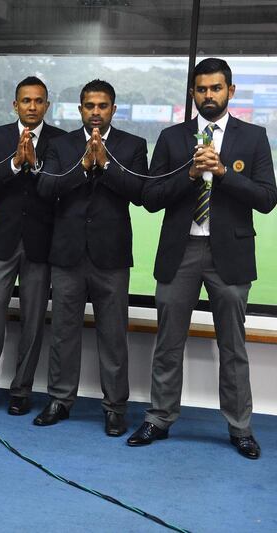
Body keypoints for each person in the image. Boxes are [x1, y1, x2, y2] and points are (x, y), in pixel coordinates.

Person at [128, 58, 277, 459]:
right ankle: (159, 418)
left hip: (230, 254)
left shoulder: (254, 136)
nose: (208, 95)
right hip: (181, 252)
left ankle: (240, 427)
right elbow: (150, 197)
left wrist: (224, 172)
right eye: (201, 89)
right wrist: (191, 174)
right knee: (168, 343)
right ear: (192, 93)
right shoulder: (173, 138)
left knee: (233, 347)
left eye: (215, 88)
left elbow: (267, 199)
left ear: (231, 91)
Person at [35, 79, 147, 437]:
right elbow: (46, 187)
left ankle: (115, 408)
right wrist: (83, 167)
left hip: (110, 256)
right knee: (63, 333)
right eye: (89, 106)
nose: (95, 112)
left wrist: (107, 166)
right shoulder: (60, 145)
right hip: (68, 254)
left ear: (113, 109)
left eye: (102, 106)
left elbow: (141, 192)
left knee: (113, 336)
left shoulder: (132, 146)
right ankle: (60, 400)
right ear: (80, 109)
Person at [0, 76, 66, 416]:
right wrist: (13, 164)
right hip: (2, 241)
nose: (32, 107)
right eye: (26, 101)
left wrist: (36, 165)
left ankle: (21, 390)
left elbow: (57, 188)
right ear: (15, 104)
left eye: (39, 101)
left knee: (34, 318)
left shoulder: (59, 141)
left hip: (41, 242)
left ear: (46, 106)